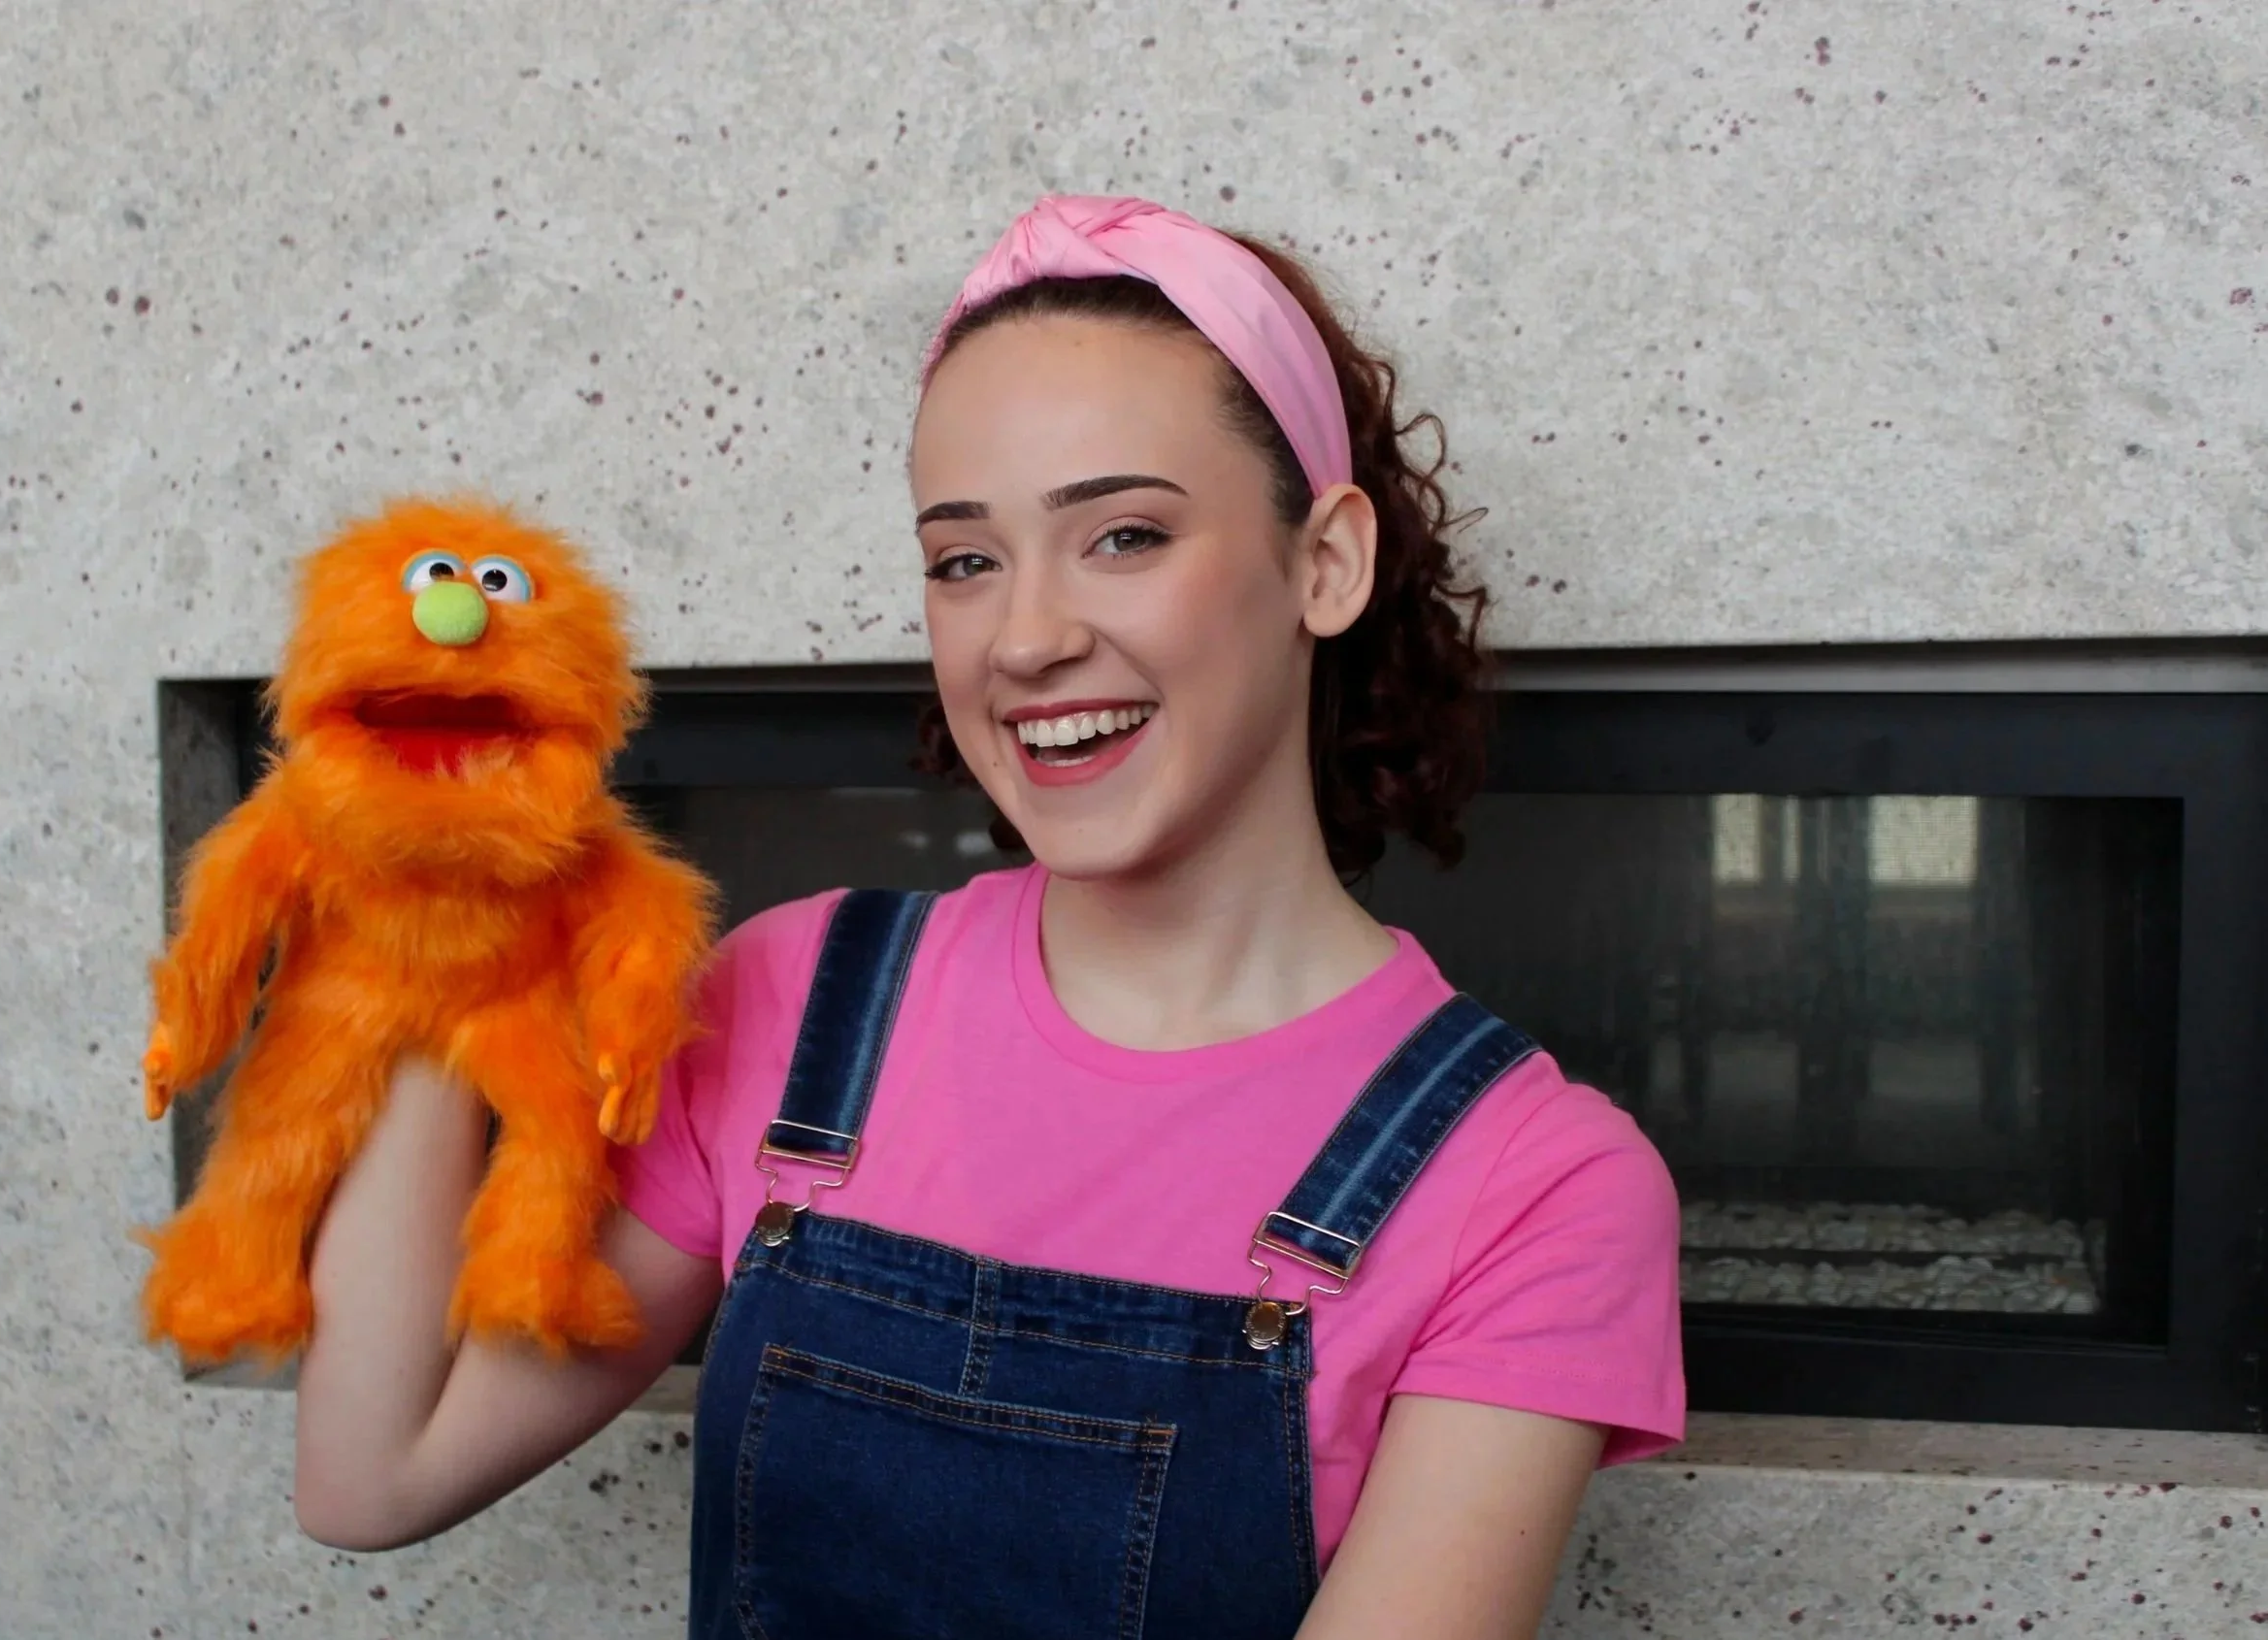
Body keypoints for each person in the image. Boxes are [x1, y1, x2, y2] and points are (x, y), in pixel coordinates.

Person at [294, 194, 1684, 1639]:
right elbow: (371, 1473)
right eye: (965, 560)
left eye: (1125, 535)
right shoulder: (792, 1002)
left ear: (1324, 562)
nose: (1025, 638)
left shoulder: (1531, 1187)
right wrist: (436, 928)